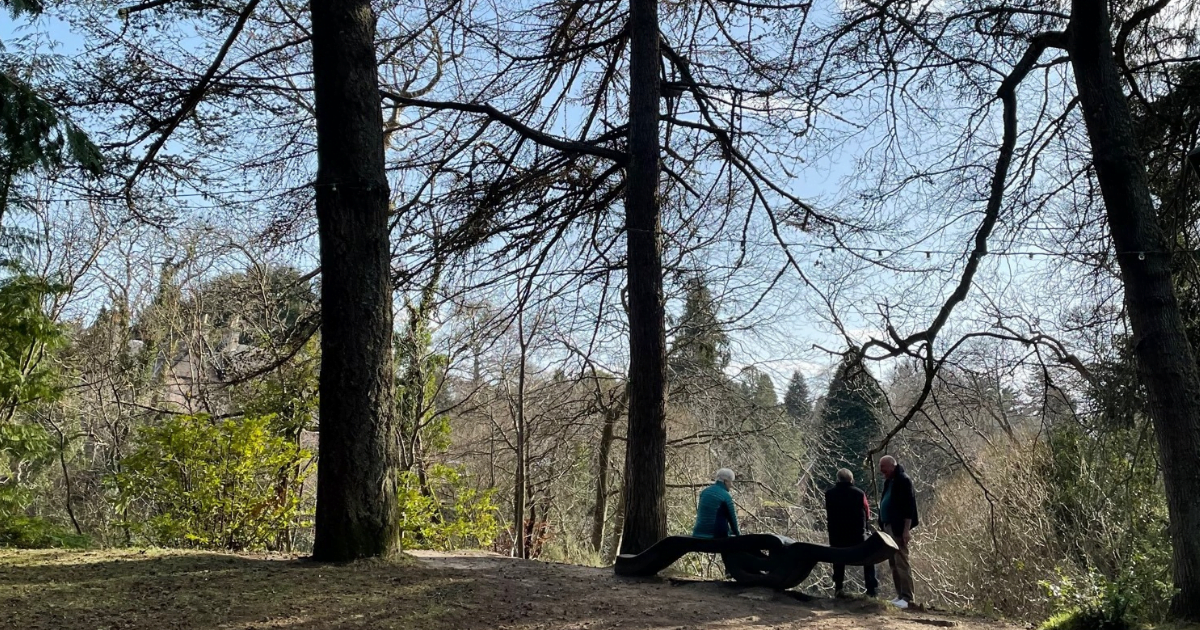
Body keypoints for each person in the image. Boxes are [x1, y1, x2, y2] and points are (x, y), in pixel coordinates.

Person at [824, 468, 878, 598]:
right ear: (851, 479)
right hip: (857, 538)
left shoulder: (829, 494)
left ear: (838, 480)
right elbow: (867, 513)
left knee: (837, 557)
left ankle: (838, 587)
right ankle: (871, 590)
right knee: (870, 555)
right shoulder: (859, 494)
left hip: (836, 538)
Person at [879, 455, 919, 608]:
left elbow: (909, 508)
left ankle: (908, 598)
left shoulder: (904, 480)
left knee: (902, 562)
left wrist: (906, 531)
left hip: (898, 529)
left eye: (884, 468)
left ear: (892, 465)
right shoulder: (890, 481)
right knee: (893, 563)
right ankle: (899, 595)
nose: (882, 471)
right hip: (888, 527)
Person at [692, 468, 740, 538]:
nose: (731, 485)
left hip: (698, 533)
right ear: (725, 481)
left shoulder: (704, 492)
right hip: (714, 536)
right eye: (731, 482)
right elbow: (733, 520)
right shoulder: (725, 496)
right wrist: (738, 535)